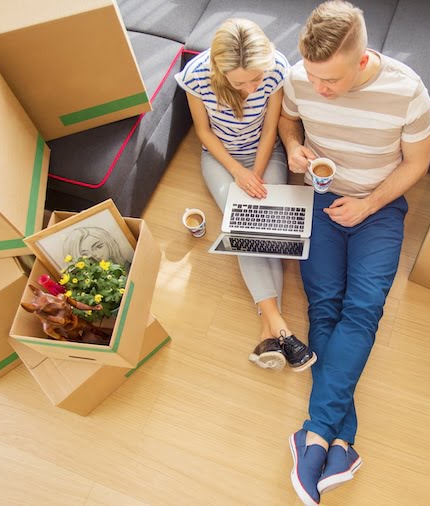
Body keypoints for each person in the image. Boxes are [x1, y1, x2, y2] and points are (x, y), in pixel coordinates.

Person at [278, 1, 430, 503]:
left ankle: (315, 435)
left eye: (331, 80)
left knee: (362, 309)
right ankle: (340, 443)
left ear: (363, 60)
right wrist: (294, 147)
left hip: (379, 207)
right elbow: (288, 122)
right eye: (313, 77)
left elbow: (417, 164)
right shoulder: (300, 77)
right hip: (322, 199)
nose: (319, 88)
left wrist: (368, 205)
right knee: (324, 307)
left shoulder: (408, 91)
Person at [175, 18, 316, 372]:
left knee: (266, 227)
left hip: (265, 153)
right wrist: (238, 172)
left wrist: (256, 171)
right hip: (220, 159)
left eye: (257, 79)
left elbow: (270, 129)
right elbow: (204, 133)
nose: (252, 88)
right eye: (241, 83)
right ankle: (279, 327)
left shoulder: (276, 68)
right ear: (220, 71)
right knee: (244, 227)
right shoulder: (196, 76)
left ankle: (269, 333)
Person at [62, 226, 133, 269]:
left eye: (99, 246)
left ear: (108, 242)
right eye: (85, 254)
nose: (95, 255)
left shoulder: (129, 264)